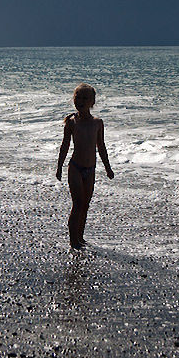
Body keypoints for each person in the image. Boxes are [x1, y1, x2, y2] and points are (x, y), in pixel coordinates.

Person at [56, 83, 114, 249]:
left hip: (91, 169)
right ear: (74, 100)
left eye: (85, 98)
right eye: (78, 98)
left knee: (85, 205)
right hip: (75, 167)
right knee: (77, 204)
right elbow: (64, 146)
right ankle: (73, 241)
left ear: (92, 102)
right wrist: (59, 167)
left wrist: (108, 168)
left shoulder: (97, 123)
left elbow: (101, 147)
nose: (81, 101)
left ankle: (80, 238)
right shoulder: (72, 123)